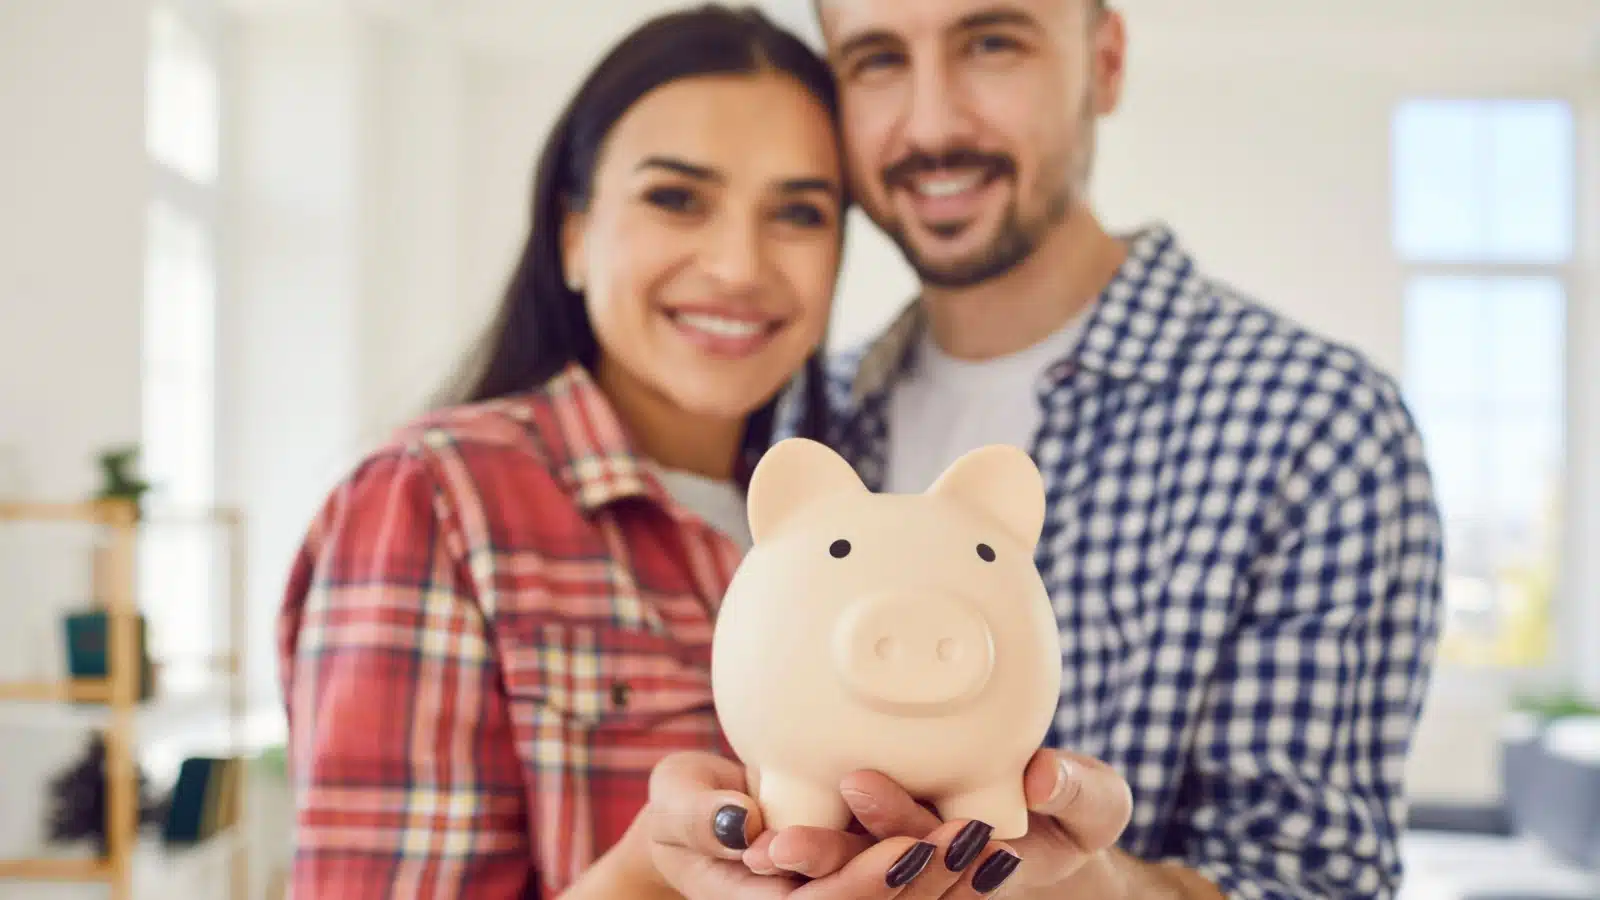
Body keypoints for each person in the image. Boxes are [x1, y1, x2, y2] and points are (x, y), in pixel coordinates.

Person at [733, 0, 1445, 897]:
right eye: (876, 60)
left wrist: (1091, 888)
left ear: (1104, 62)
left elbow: (1315, 881)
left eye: (992, 44)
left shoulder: (1315, 426)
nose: (933, 124)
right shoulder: (794, 417)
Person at [275, 7, 891, 896]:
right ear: (572, 235)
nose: (737, 266)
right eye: (676, 198)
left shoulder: (853, 524)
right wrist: (643, 877)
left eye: (798, 213)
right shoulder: (433, 500)